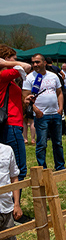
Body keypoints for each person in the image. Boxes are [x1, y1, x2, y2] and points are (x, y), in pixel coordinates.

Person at [23, 53, 65, 171]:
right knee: (41, 144)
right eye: (33, 62)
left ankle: (60, 166)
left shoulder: (53, 76)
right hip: (41, 116)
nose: (35, 64)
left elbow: (59, 92)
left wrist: (60, 108)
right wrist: (36, 110)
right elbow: (25, 97)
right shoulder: (30, 78)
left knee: (57, 143)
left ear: (44, 63)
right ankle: (42, 168)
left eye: (38, 62)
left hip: (55, 114)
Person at [0, 46, 31, 181]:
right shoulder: (3, 75)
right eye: (14, 58)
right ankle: (14, 202)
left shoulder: (6, 79)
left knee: (8, 168)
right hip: (11, 124)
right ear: (6, 58)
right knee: (19, 169)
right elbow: (27, 66)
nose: (16, 61)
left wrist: (24, 100)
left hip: (9, 124)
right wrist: (7, 64)